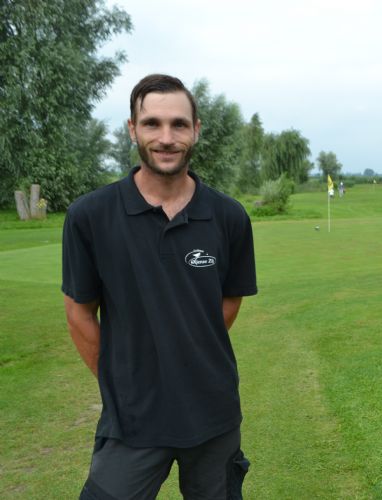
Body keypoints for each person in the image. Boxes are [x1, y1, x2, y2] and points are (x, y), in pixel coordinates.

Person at [62, 74, 257, 499]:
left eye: (178, 124)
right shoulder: (89, 216)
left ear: (196, 130)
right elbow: (79, 312)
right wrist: (120, 380)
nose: (166, 137)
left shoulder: (229, 217)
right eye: (152, 123)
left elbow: (227, 302)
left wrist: (188, 356)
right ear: (133, 129)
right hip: (132, 420)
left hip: (213, 412)